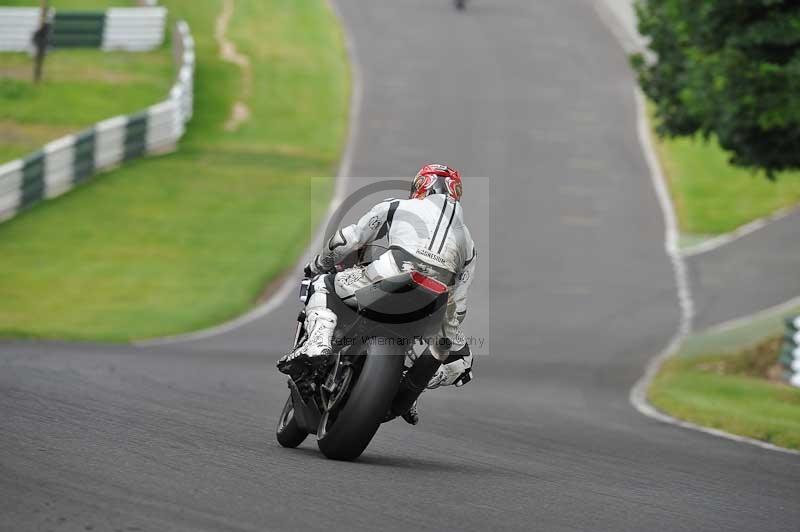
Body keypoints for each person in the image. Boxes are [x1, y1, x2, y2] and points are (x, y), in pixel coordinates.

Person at [277, 164, 476, 424]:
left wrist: (317, 264)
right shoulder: (469, 243)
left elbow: (347, 240)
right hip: (437, 300)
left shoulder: (398, 206)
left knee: (324, 284)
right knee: (457, 356)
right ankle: (408, 393)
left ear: (420, 186)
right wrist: (446, 339)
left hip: (392, 272)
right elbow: (459, 303)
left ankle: (318, 343)